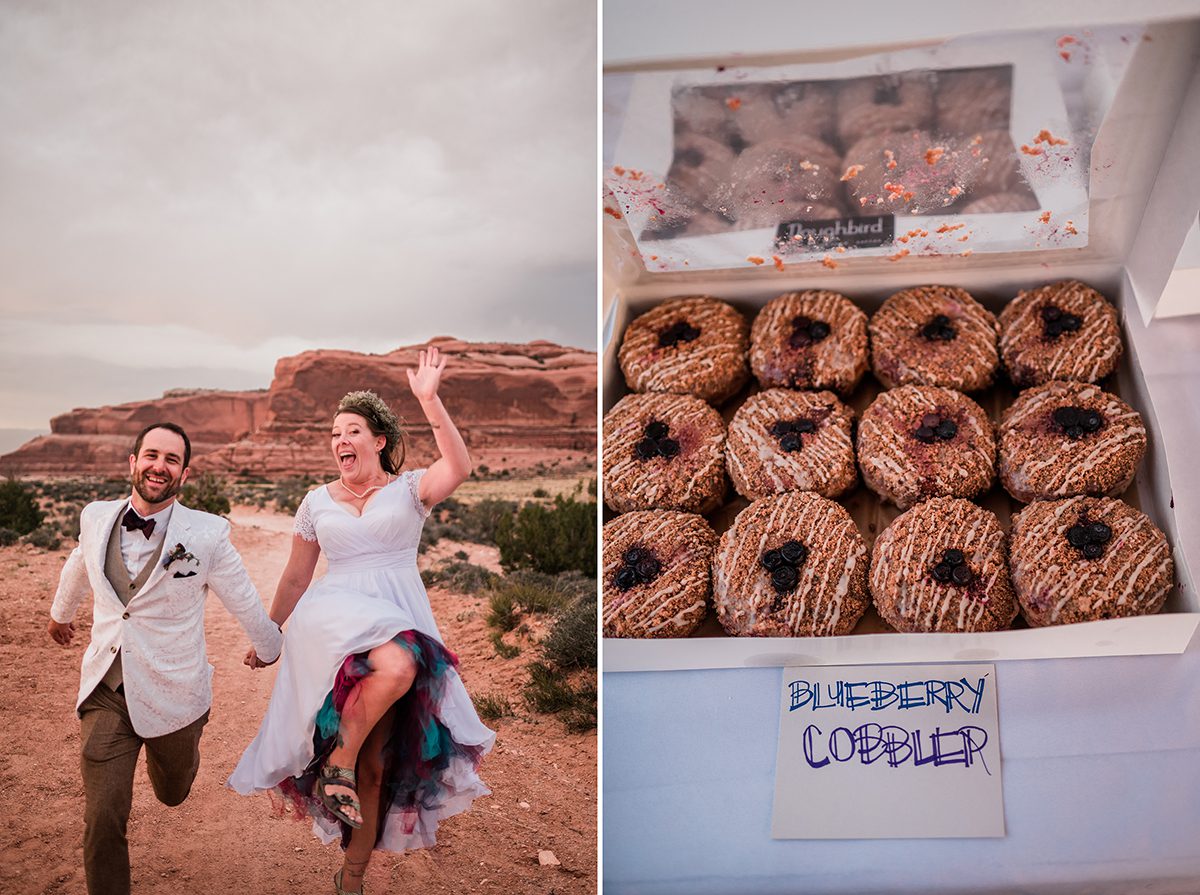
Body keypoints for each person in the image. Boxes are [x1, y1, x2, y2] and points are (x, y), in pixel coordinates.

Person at [229, 346, 495, 895]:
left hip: (396, 611)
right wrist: (269, 634)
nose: (340, 441)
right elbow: (296, 580)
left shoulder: (409, 490)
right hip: (332, 622)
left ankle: (350, 876)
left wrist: (430, 399)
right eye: (334, 434)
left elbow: (460, 467)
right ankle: (338, 762)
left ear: (378, 440)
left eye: (352, 431)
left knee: (376, 769)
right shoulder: (315, 502)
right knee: (398, 666)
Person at [47, 422, 284, 895]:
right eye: (151, 455)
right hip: (107, 690)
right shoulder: (95, 516)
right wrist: (60, 614)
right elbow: (79, 561)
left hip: (176, 694)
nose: (160, 466)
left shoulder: (208, 534)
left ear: (184, 473)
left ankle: (177, 763)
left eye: (171, 459)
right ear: (133, 462)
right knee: (102, 817)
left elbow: (241, 596)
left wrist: (269, 645)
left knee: (173, 792)